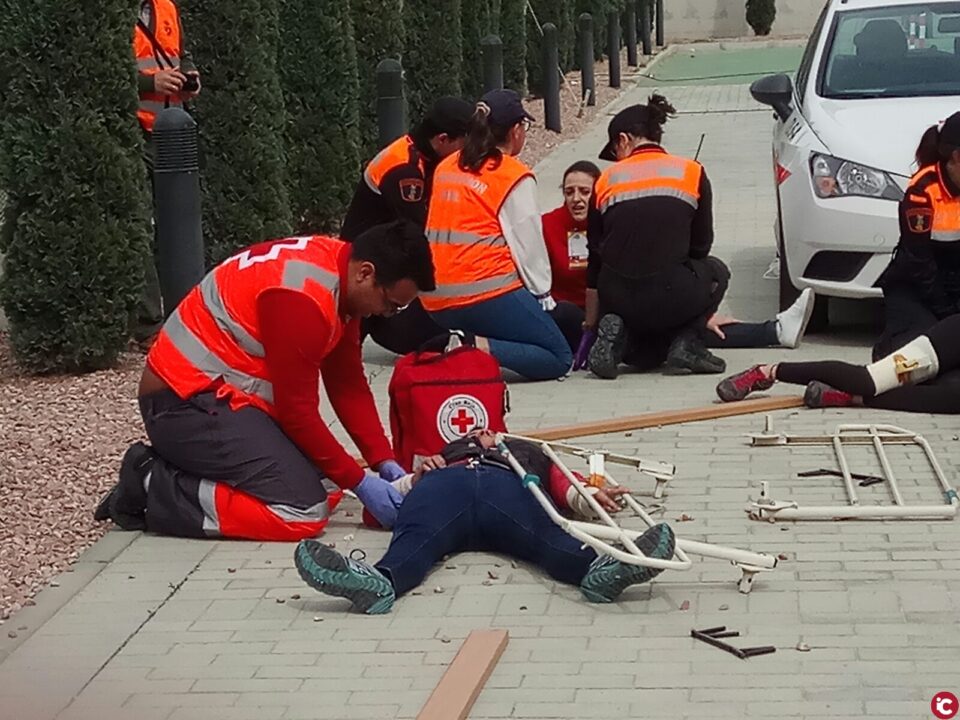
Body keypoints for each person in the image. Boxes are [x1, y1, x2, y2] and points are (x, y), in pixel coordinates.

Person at [94, 220, 435, 540]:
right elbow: (298, 412)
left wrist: (383, 461)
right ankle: (151, 483)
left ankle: (180, 473)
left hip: (211, 397)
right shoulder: (303, 300)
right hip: (182, 403)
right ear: (366, 273)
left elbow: (347, 384)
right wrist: (361, 482)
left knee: (329, 484)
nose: (388, 315)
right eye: (392, 305)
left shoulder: (336, 274)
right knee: (302, 511)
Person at [293, 430, 677, 613]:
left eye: (489, 430)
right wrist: (414, 478)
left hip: (507, 489)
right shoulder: (444, 457)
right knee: (416, 537)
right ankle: (380, 582)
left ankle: (597, 571)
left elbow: (563, 484)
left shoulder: (527, 452)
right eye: (474, 432)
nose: (482, 434)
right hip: (444, 489)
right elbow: (388, 503)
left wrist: (588, 499)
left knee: (547, 533)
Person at [583, 96, 815, 380]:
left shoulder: (605, 181)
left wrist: (592, 324)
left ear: (624, 140)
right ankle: (687, 340)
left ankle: (620, 335)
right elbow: (701, 246)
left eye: (614, 150)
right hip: (673, 294)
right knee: (717, 270)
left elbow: (595, 255)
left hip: (616, 295)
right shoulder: (691, 172)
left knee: (647, 355)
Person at [421, 89, 574, 381]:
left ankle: (467, 342)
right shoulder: (511, 175)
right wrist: (543, 295)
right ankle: (469, 345)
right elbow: (527, 245)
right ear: (516, 130)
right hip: (483, 292)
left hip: (434, 299)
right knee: (558, 357)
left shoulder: (447, 166)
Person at [341, 97, 474, 355]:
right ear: (443, 139)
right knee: (436, 335)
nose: (468, 152)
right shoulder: (405, 170)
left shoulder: (423, 154)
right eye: (465, 143)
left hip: (385, 259)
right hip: (372, 272)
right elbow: (421, 233)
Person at [716, 313, 960, 413]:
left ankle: (847, 397)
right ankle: (768, 372)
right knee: (868, 381)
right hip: (950, 341)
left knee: (951, 398)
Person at [132, 0, 201, 348]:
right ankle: (149, 326)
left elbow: (180, 55)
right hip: (130, 131)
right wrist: (149, 82)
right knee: (140, 226)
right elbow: (90, 70)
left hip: (169, 132)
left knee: (176, 224)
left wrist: (189, 79)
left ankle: (184, 314)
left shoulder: (167, 7)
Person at [873, 112, 960, 361]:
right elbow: (918, 260)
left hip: (955, 282)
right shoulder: (922, 192)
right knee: (919, 353)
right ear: (956, 156)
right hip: (918, 286)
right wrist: (947, 312)